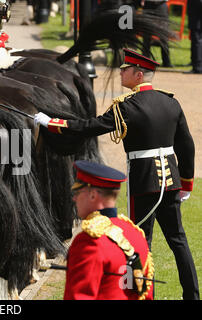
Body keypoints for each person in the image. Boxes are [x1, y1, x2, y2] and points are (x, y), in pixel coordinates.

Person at [35, 48, 199, 300]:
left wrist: (54, 123)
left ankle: (146, 296)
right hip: (170, 178)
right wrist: (186, 182)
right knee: (178, 240)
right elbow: (186, 146)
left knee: (143, 242)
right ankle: (192, 295)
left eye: (125, 70)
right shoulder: (171, 102)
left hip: (144, 180)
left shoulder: (127, 106)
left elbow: (91, 127)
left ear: (139, 74)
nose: (121, 73)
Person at [64, 160, 154, 300]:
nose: (74, 198)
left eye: (78, 191)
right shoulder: (135, 233)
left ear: (93, 195)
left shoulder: (89, 242)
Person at [138, 0, 173, 68]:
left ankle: (166, 62)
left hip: (161, 5)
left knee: (164, 35)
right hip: (148, 5)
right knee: (146, 36)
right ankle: (145, 61)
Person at [187, 0, 202, 73]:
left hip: (197, 20)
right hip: (196, 19)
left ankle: (197, 66)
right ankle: (195, 63)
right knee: (196, 42)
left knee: (196, 42)